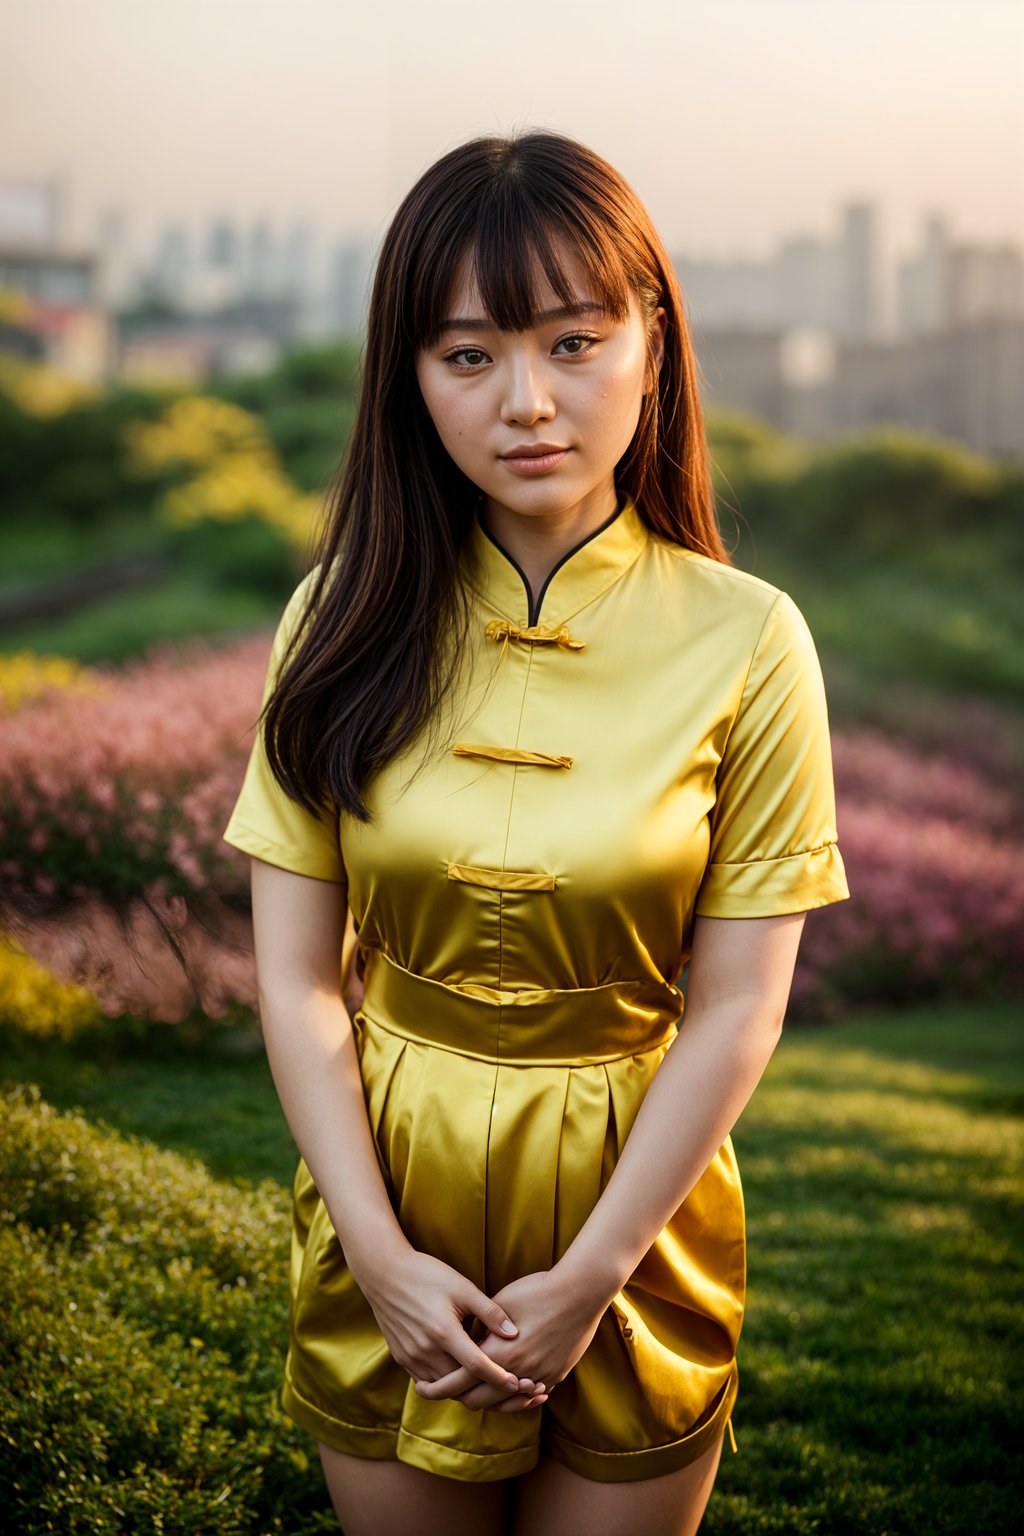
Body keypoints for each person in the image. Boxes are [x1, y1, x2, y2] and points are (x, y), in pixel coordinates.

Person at [221, 128, 851, 1536]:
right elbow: (294, 980)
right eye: (468, 357)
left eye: (574, 342)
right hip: (393, 1196)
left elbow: (742, 1006)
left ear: (653, 342)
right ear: (409, 378)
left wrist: (592, 1275)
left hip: (635, 1213)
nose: (528, 404)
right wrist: (377, 1258)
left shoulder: (750, 640)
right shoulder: (334, 619)